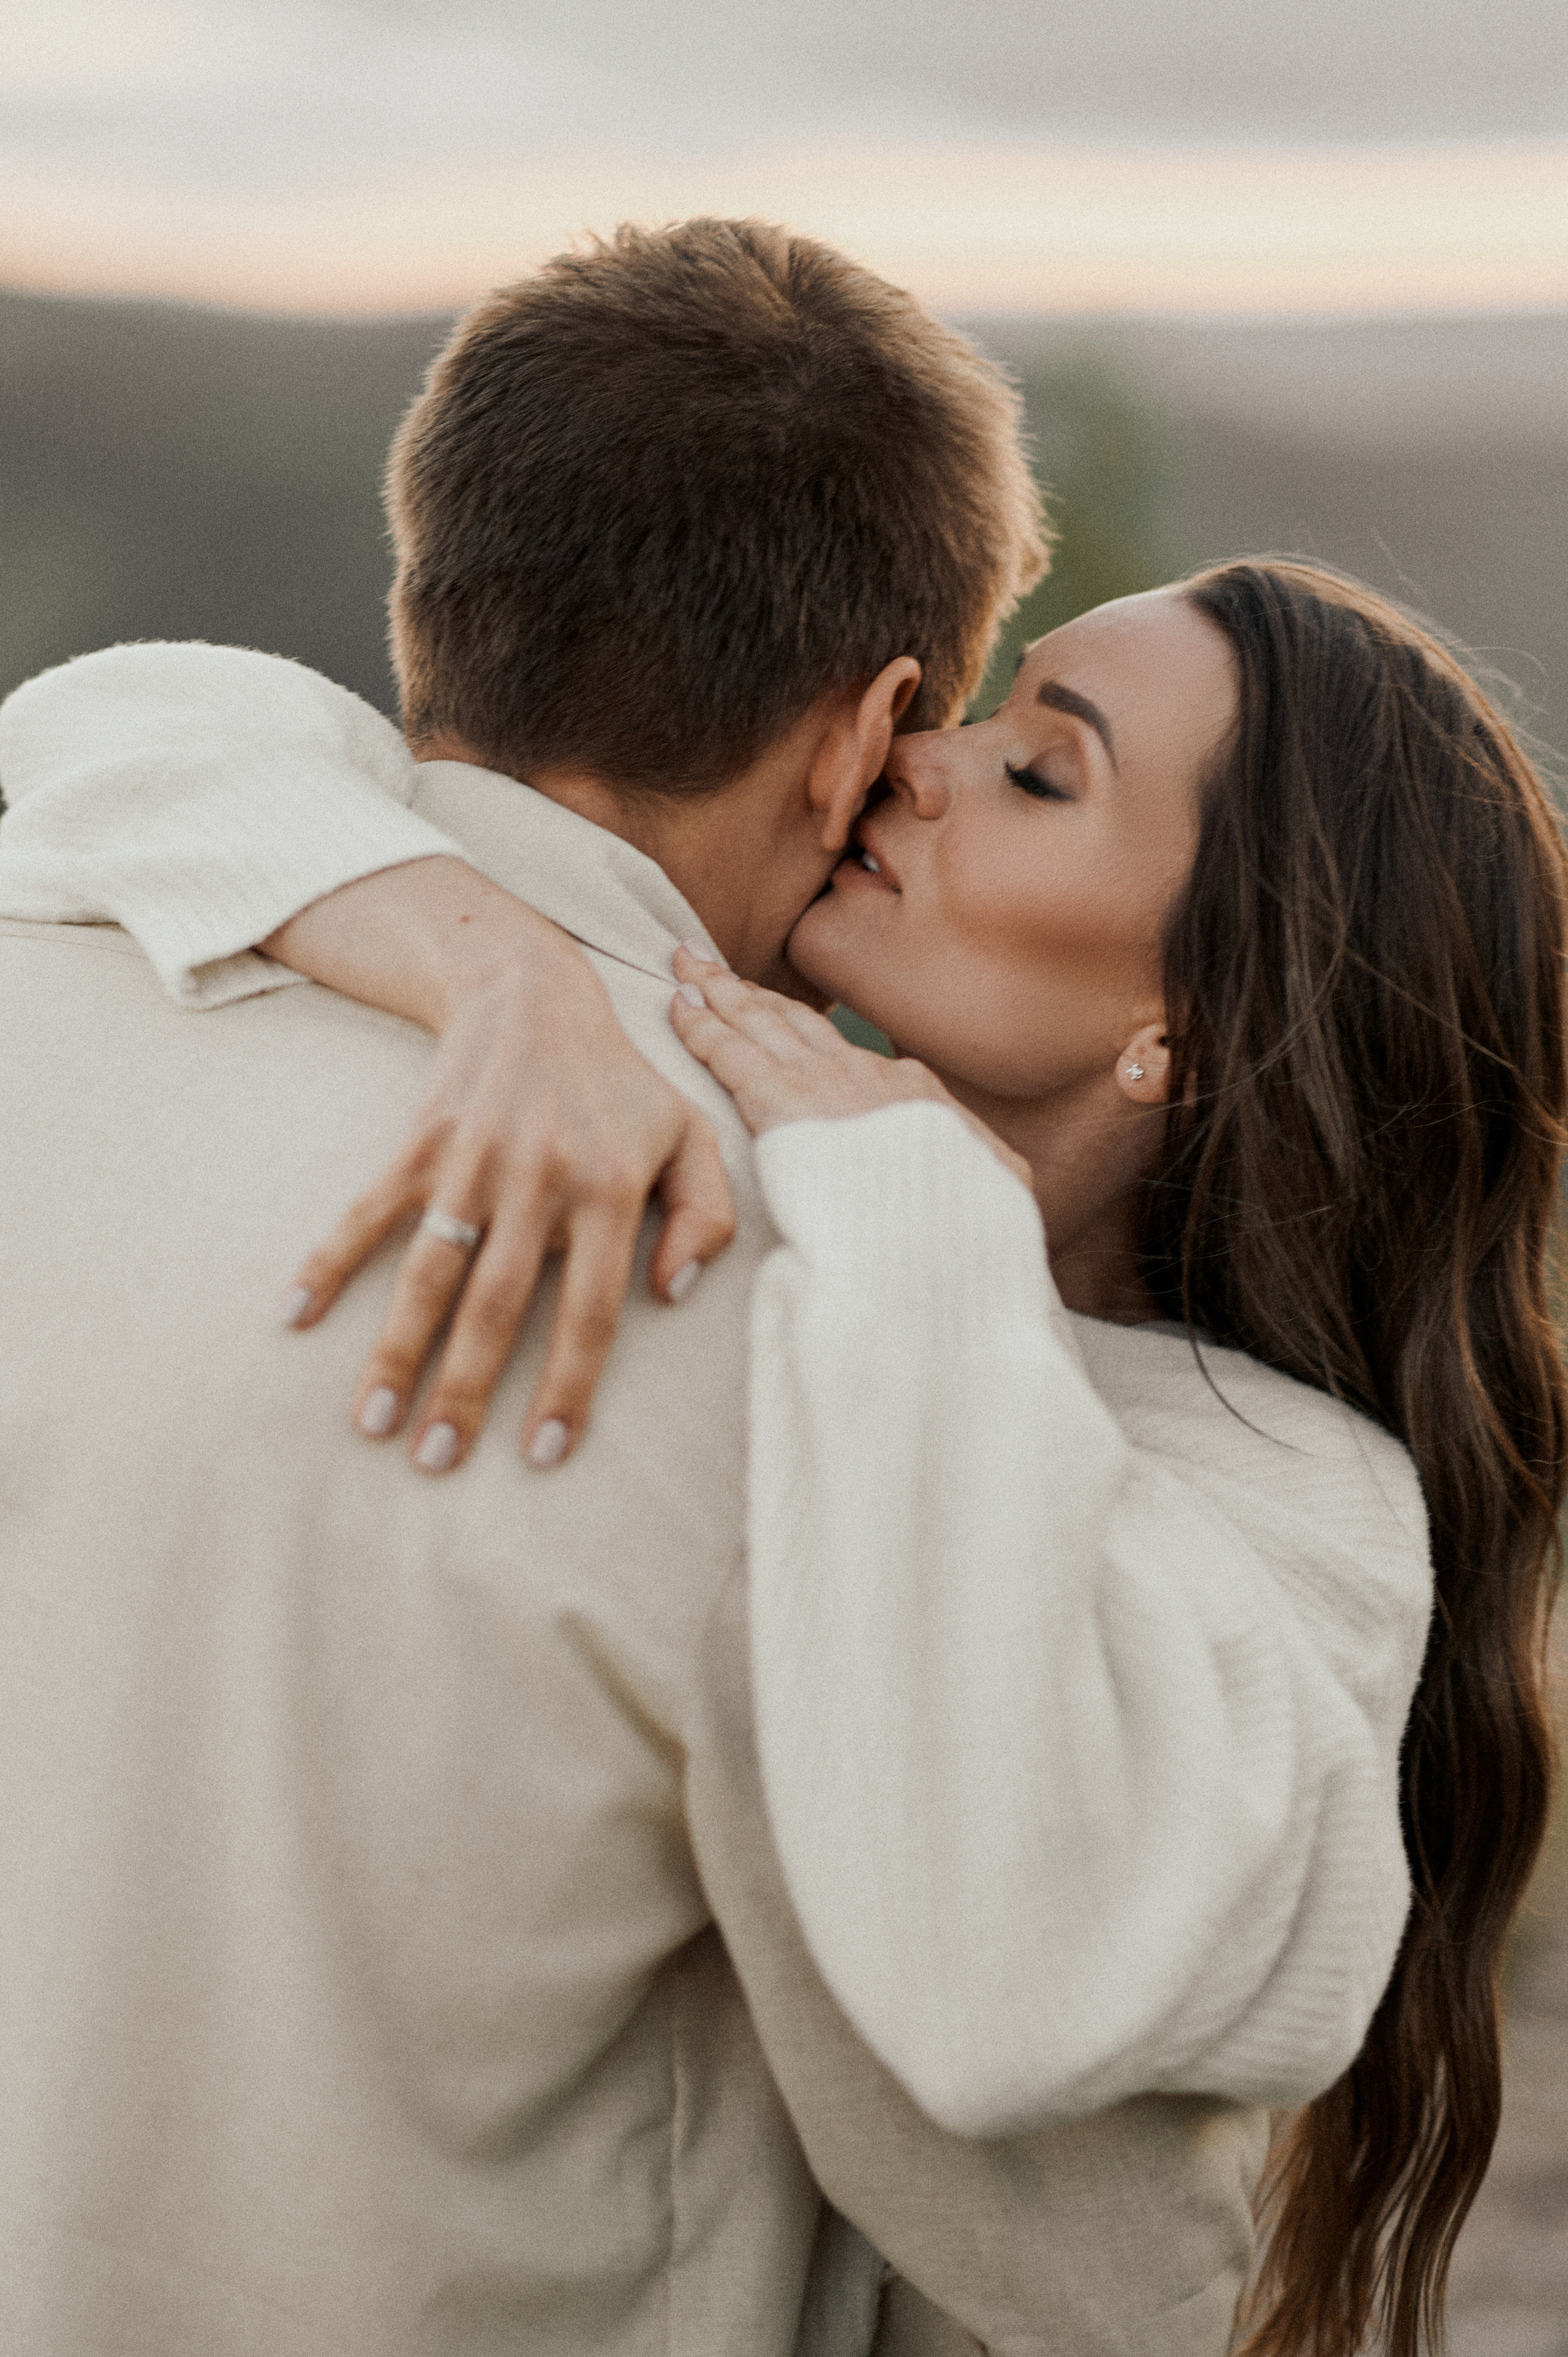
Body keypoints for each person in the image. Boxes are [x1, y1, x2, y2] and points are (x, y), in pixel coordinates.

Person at [9, 542, 1562, 2357]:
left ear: (1189, 1029)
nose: (919, 757)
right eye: (989, 709)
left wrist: (911, 1206)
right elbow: (137, 715)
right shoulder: (722, 1124)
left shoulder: (1290, 1504)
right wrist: (500, 964)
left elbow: (1003, 1989)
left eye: (1040, 770)